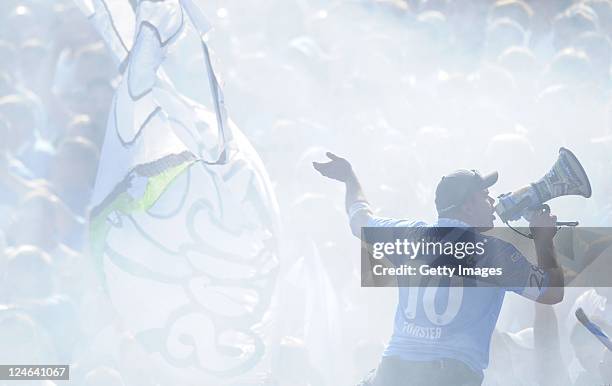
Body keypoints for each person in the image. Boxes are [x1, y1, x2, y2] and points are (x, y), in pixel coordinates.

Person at [313, 152, 563, 386]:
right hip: (451, 374)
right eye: (485, 195)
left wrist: (349, 177)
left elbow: (359, 218)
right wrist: (543, 240)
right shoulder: (494, 253)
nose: (492, 202)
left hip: (394, 370)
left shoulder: (406, 234)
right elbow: (551, 293)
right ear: (467, 206)